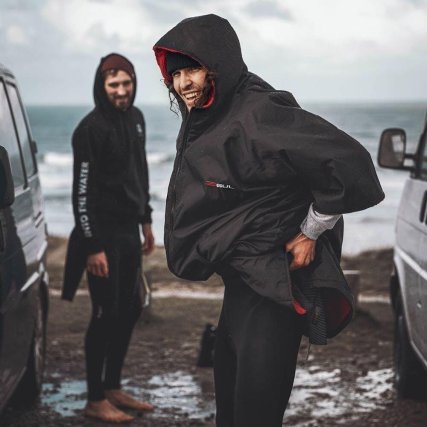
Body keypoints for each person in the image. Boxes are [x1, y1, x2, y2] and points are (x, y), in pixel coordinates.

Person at [153, 14, 384, 427]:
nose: (185, 82)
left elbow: (348, 161)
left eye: (193, 69)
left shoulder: (259, 111)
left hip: (274, 289)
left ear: (216, 66)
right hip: (240, 288)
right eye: (177, 74)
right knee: (229, 412)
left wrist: (311, 230)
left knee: (255, 417)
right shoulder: (208, 116)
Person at [62, 53, 155, 423]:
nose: (122, 91)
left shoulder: (136, 119)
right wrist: (92, 245)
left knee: (130, 307)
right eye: (114, 84)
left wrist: (146, 220)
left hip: (130, 231)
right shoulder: (89, 129)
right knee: (104, 314)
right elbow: (80, 193)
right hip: (101, 233)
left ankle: (113, 385)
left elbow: (140, 171)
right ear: (101, 86)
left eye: (127, 83)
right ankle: (95, 397)